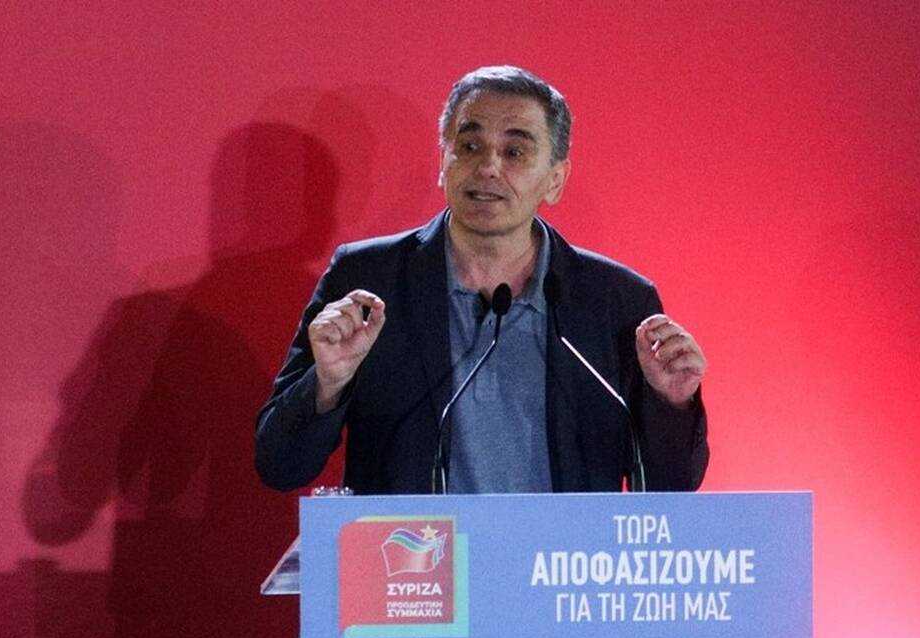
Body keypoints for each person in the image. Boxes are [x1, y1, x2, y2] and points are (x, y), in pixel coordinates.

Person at [256, 65, 708, 496]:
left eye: (514, 152)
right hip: (418, 553)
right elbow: (280, 464)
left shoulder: (616, 301)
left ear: (555, 180)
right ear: (443, 161)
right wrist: (327, 383)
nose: (488, 167)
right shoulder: (369, 282)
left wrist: (671, 405)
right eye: (470, 146)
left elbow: (671, 489)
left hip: (563, 552)